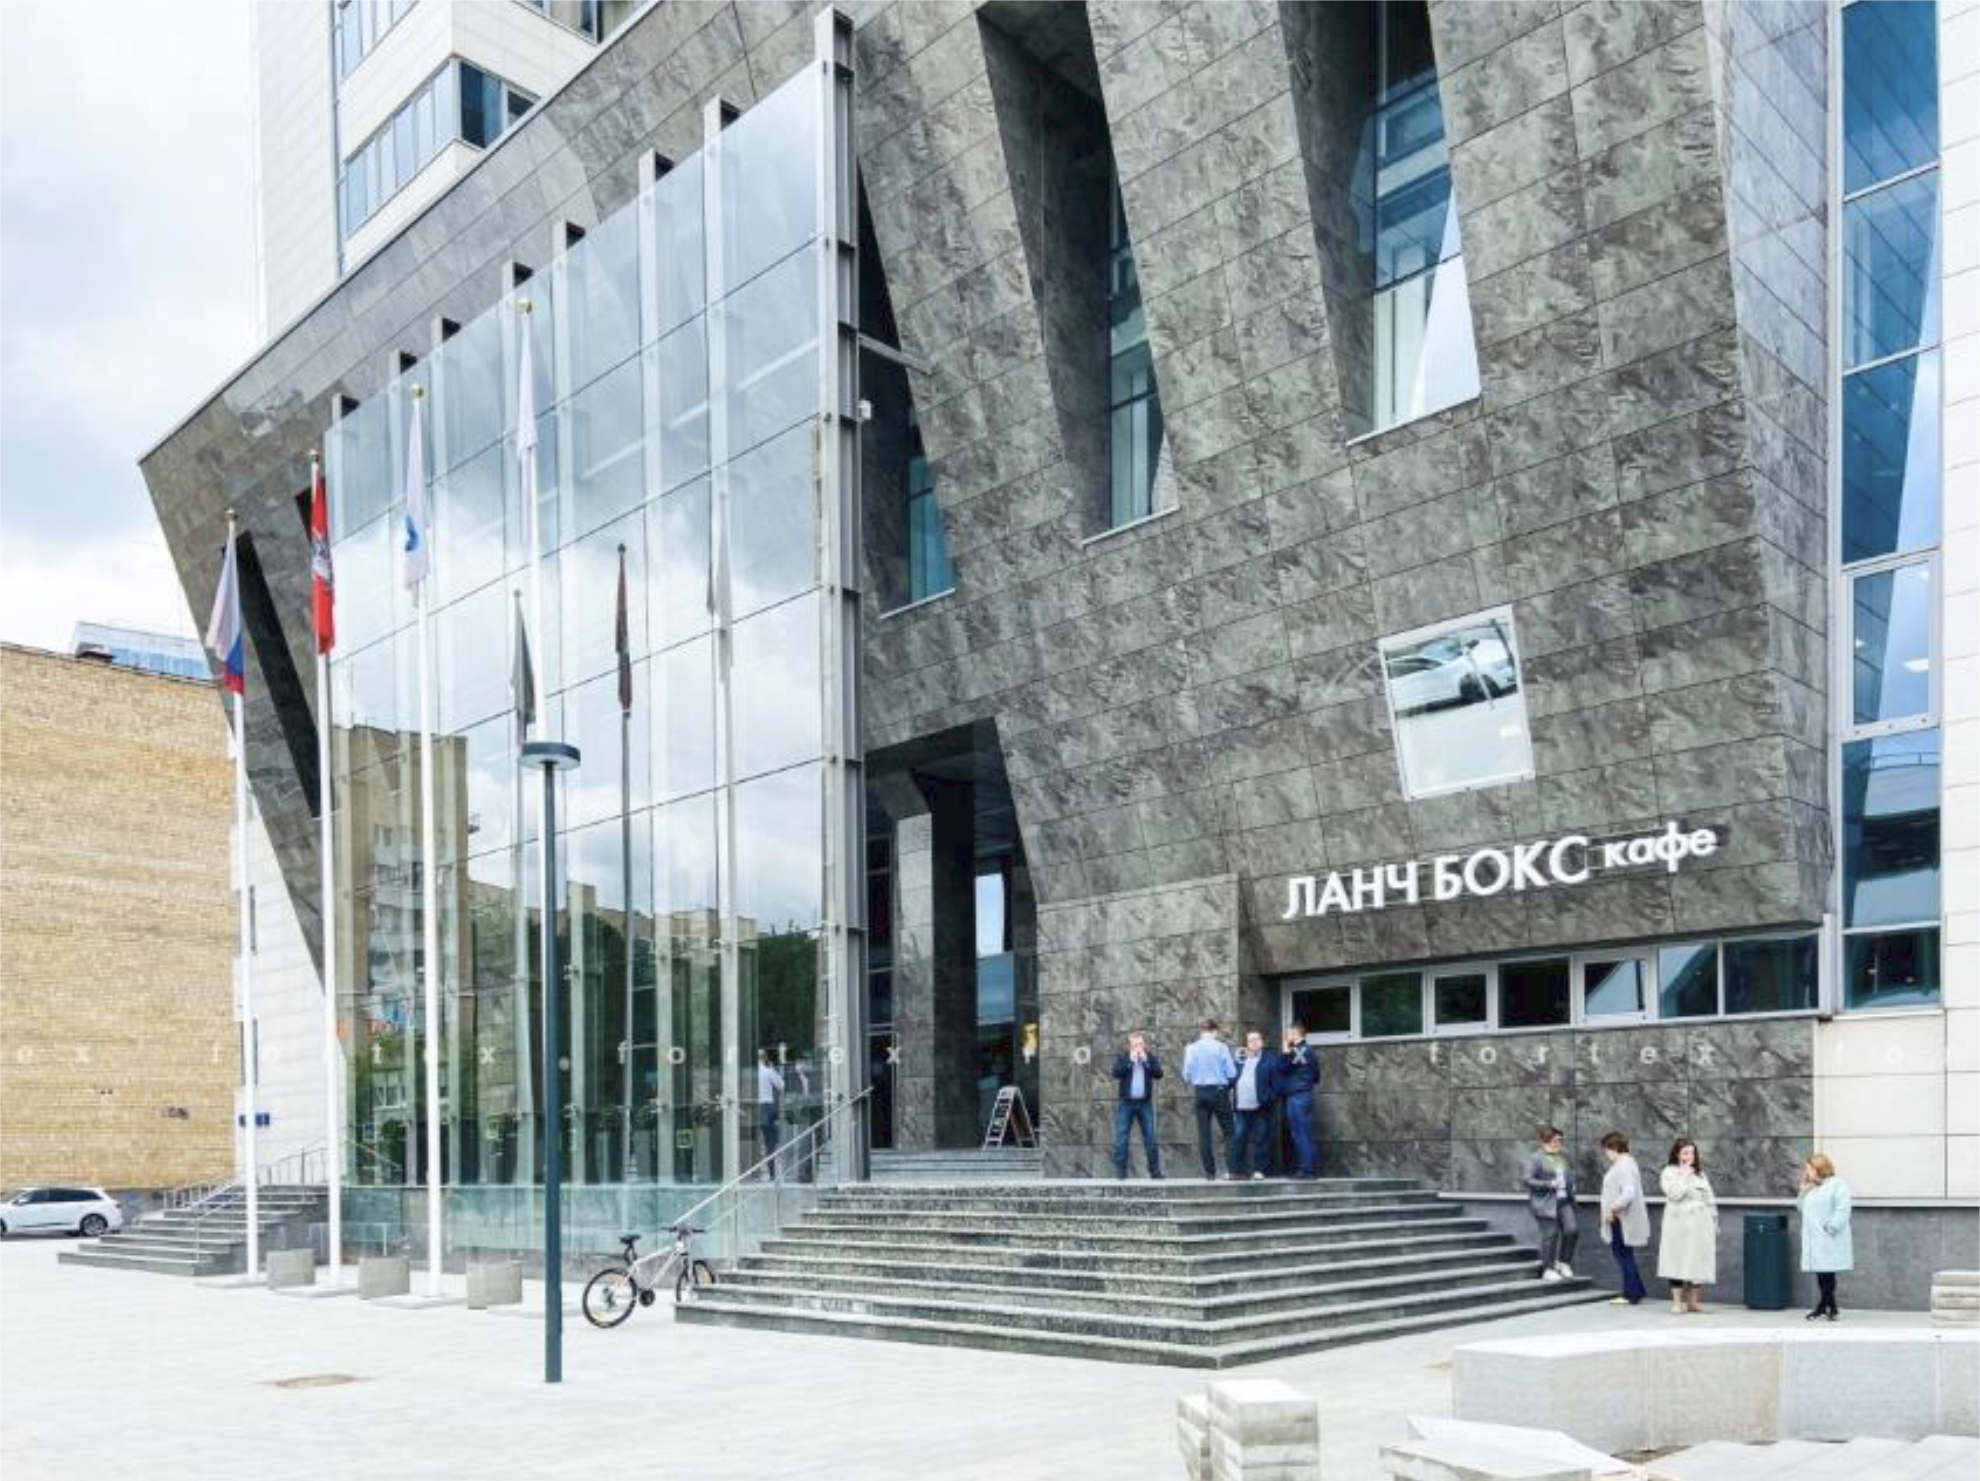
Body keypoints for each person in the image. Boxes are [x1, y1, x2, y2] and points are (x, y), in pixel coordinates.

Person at [1657, 1138, 1718, 1313]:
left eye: (1692, 1152)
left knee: (1697, 1261)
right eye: (1685, 1153)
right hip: (1678, 1224)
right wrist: (1683, 1176)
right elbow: (1674, 1194)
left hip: (1700, 1224)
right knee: (1676, 1260)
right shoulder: (1669, 1172)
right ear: (1677, 1154)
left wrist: (1714, 1218)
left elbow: (1709, 1197)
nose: (1689, 1156)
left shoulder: (1700, 1174)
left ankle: (1693, 1302)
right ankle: (1677, 1302)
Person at [1797, 1152, 1853, 1321]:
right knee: (1822, 1274)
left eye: (1809, 1168)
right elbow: (1801, 1209)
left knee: (1828, 1274)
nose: (1807, 1172)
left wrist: (1831, 1227)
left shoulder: (1837, 1184)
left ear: (1819, 1168)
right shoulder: (1813, 1187)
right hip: (1815, 1238)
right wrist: (1803, 1190)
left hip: (1829, 1237)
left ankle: (1825, 1307)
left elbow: (1843, 1209)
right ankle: (1829, 1308)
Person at [1597, 1132, 1650, 1305]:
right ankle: (1635, 1290)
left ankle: (1632, 1293)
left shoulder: (1624, 1165)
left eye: (1606, 1149)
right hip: (1621, 1217)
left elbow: (1628, 1193)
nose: (1606, 1154)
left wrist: (1612, 1208)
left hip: (1621, 1218)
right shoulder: (1625, 1164)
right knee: (1625, 1254)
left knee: (1622, 1254)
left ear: (1613, 1147)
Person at [1181, 1019, 1238, 1180]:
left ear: (1201, 1031)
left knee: (1204, 1134)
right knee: (1229, 1131)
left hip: (1201, 1092)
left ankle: (1210, 1173)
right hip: (1219, 1091)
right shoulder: (1221, 1047)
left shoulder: (1191, 1048)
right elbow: (1232, 1072)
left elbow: (1186, 1075)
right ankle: (1232, 1170)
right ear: (1215, 1031)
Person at [1522, 1126, 1578, 1281]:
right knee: (1550, 1235)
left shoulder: (1564, 1156)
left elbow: (1570, 1173)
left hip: (1564, 1200)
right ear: (1545, 1141)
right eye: (1555, 1141)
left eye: (1560, 1140)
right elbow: (1527, 1179)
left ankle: (1563, 1262)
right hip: (1546, 1203)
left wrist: (1572, 1184)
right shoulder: (1536, 1158)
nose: (1559, 1143)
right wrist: (1549, 1184)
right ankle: (1548, 1269)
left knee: (1572, 1230)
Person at [1109, 1031, 1163, 1179]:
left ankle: (1155, 1172)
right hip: (1126, 1103)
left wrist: (1146, 1062)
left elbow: (1159, 1074)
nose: (1138, 1047)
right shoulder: (1123, 1057)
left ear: (1144, 1045)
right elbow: (1116, 1073)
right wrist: (1130, 1061)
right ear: (1130, 1046)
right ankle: (1120, 1172)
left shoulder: (1149, 1057)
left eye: (1140, 1044)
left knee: (1150, 1138)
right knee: (1122, 1137)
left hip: (1145, 1104)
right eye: (1135, 1045)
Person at [1230, 1030, 1281, 1179]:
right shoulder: (1240, 1060)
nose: (1254, 1043)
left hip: (1261, 1106)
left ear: (1262, 1042)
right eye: (1250, 1040)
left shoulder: (1270, 1060)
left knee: (1261, 1139)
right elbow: (1231, 1079)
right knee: (1239, 1138)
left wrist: (1269, 1099)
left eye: (1257, 1039)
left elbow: (1277, 1083)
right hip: (1241, 1107)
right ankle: (1237, 1171)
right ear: (1247, 1044)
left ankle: (1259, 1170)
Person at [1278, 1025, 1319, 1179]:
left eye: (1287, 1034)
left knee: (1299, 1133)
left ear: (1295, 1034)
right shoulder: (1308, 1050)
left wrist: (1285, 1051)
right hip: (1304, 1093)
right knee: (1305, 1132)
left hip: (1297, 1095)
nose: (1285, 1037)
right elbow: (1316, 1075)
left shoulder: (1299, 1050)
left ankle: (1306, 1169)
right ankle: (1310, 1168)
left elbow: (1283, 1068)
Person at [755, 1049, 784, 1178]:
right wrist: (772, 1068)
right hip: (766, 1107)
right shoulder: (767, 1071)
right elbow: (781, 1085)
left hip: (752, 1107)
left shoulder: (751, 1072)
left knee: (750, 1140)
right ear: (765, 1058)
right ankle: (771, 1172)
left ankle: (752, 1172)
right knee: (769, 1141)